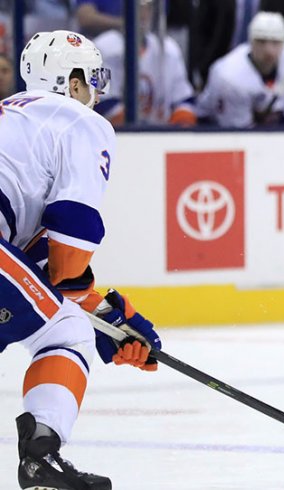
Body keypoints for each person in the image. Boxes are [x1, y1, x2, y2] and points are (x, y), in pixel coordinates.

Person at [2, 30, 162, 489]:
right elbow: (72, 240)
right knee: (65, 331)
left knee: (61, 316)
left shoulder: (16, 123)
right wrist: (103, 321)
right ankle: (40, 455)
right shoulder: (77, 121)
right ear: (70, 83)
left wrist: (107, 315)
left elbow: (42, 278)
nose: (94, 93)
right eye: (90, 80)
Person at [94, 0, 197, 126]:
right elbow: (100, 101)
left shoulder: (168, 49)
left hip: (160, 135)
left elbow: (184, 100)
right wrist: (142, 132)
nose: (143, 14)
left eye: (147, 7)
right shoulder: (102, 48)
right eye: (139, 7)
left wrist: (178, 129)